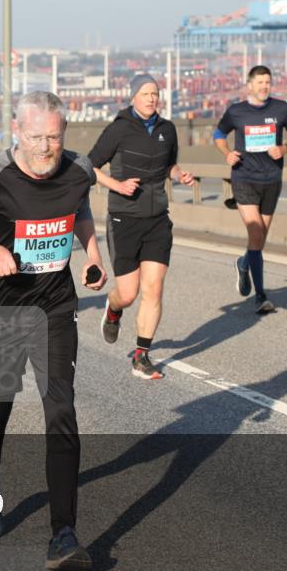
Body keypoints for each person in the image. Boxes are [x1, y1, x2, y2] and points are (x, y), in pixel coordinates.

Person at [0, 91, 106, 571]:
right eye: (36, 137)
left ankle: (64, 534)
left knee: (61, 409)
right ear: (16, 130)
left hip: (53, 307)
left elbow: (81, 210)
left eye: (54, 136)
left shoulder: (79, 169)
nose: (46, 147)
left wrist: (92, 254)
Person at [88, 74, 196, 380]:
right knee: (128, 292)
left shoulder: (168, 129)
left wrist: (178, 174)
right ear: (133, 96)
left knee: (154, 288)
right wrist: (117, 185)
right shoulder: (118, 129)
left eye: (155, 93)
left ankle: (141, 355)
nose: (151, 98)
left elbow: (169, 164)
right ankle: (113, 308)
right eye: (146, 93)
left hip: (158, 217)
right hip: (124, 218)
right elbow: (90, 166)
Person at [214, 65, 287, 314]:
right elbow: (218, 134)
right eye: (260, 82)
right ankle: (261, 296)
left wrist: (285, 148)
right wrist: (227, 153)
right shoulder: (236, 112)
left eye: (268, 82)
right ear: (249, 85)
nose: (265, 86)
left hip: (272, 179)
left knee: (260, 238)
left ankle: (244, 264)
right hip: (244, 178)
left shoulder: (281, 109)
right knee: (255, 232)